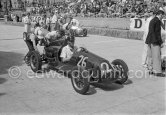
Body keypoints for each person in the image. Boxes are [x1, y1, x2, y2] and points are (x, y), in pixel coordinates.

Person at [145, 10, 165, 77]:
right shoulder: (158, 21)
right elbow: (157, 33)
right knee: (157, 57)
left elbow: (151, 31)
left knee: (150, 56)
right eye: (163, 15)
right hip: (155, 41)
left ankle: (151, 70)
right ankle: (158, 72)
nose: (163, 17)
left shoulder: (152, 20)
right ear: (160, 14)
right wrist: (160, 42)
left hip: (149, 40)